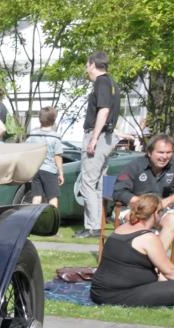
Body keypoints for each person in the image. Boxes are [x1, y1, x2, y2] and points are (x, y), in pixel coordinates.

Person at [92, 194, 174, 307]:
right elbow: (170, 271)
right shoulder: (148, 238)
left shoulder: (120, 228)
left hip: (98, 292)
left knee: (166, 282)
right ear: (155, 213)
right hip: (118, 295)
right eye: (161, 212)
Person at [111, 133, 174, 251]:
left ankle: (157, 261)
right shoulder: (134, 166)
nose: (165, 156)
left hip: (162, 209)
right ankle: (137, 259)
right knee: (139, 220)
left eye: (168, 152)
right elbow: (119, 191)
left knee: (173, 219)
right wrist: (144, 204)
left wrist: (166, 202)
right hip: (134, 208)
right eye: (160, 152)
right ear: (149, 152)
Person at [74, 51, 119, 238]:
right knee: (100, 182)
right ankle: (98, 223)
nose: (87, 68)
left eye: (87, 64)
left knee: (88, 182)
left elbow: (104, 110)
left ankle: (92, 227)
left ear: (92, 64)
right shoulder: (112, 82)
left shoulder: (101, 82)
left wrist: (94, 137)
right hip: (107, 137)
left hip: (98, 136)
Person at [23, 106, 64, 208]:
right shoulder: (55, 138)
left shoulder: (32, 137)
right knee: (53, 197)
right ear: (54, 120)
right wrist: (61, 173)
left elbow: (26, 152)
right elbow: (58, 157)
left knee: (36, 197)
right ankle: (53, 222)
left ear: (39, 119)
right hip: (50, 170)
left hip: (36, 170)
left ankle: (33, 220)